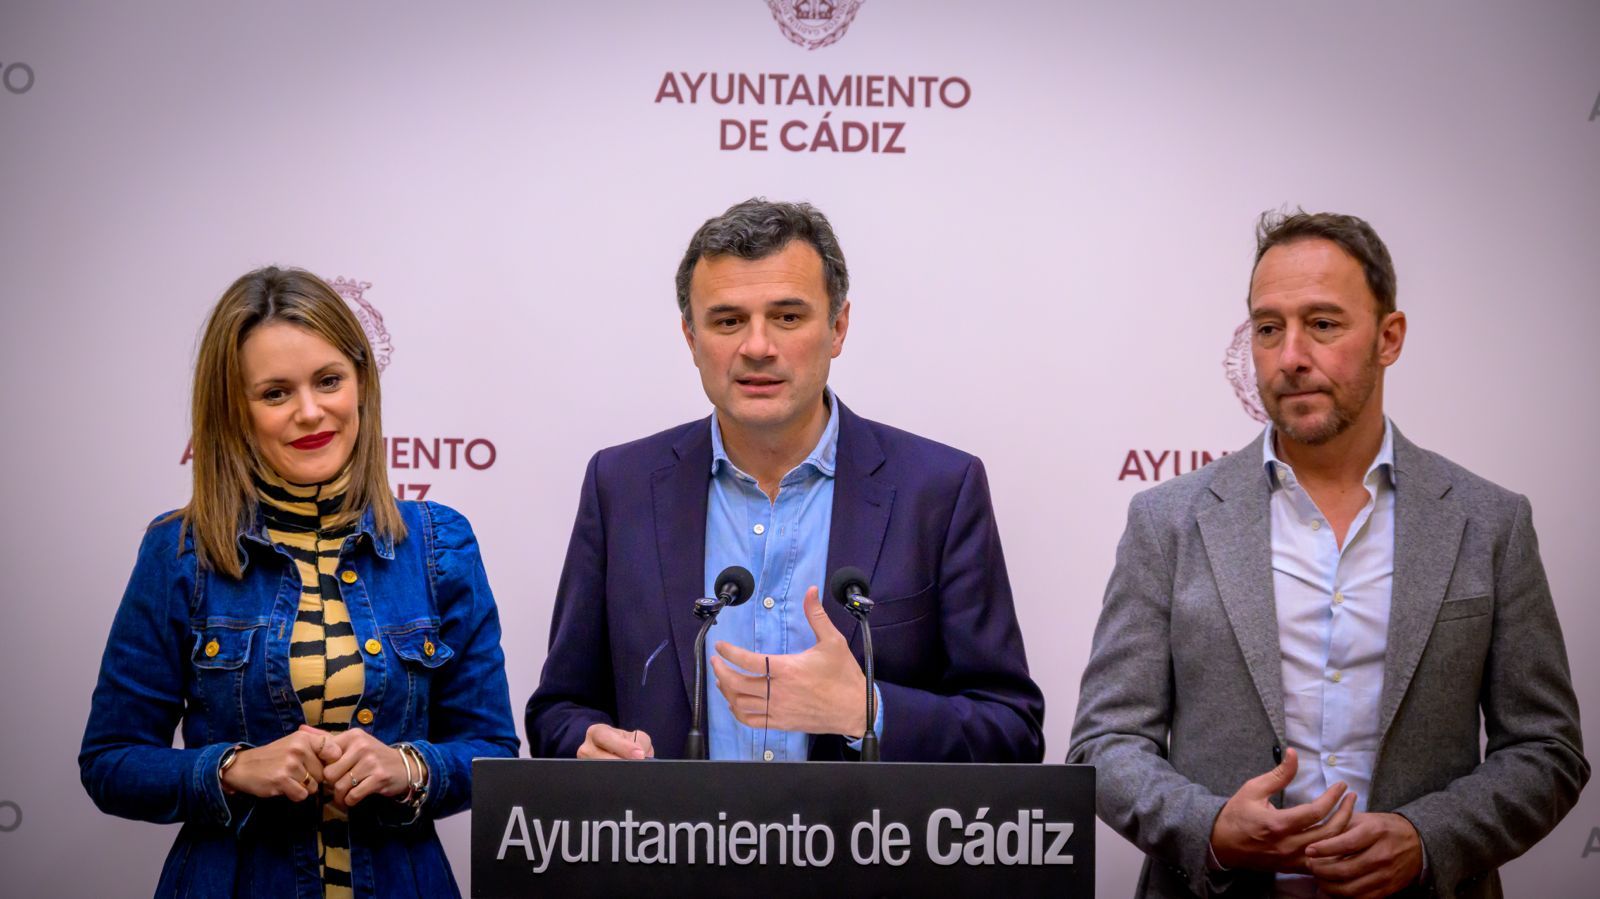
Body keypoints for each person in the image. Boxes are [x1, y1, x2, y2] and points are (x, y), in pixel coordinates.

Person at [1069, 210, 1588, 898]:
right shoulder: (1167, 521)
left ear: (1389, 337)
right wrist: (1212, 827)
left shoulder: (1489, 522)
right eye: (1267, 328)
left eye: (1323, 323)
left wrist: (1426, 838)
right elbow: (1104, 744)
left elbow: (1547, 751)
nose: (1290, 357)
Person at [527, 198, 1043, 763]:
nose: (756, 347)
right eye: (727, 321)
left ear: (839, 327)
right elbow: (560, 708)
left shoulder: (939, 491)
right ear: (690, 338)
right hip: (671, 845)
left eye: (788, 317)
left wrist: (866, 711)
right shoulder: (619, 486)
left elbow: (1012, 731)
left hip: (865, 847)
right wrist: (586, 744)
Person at [80, 268, 518, 898]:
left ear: (361, 383)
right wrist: (229, 768)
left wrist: (408, 766)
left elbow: (494, 752)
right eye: (276, 393)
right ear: (234, 408)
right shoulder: (181, 550)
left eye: (329, 381)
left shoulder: (439, 543)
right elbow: (111, 762)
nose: (310, 411)